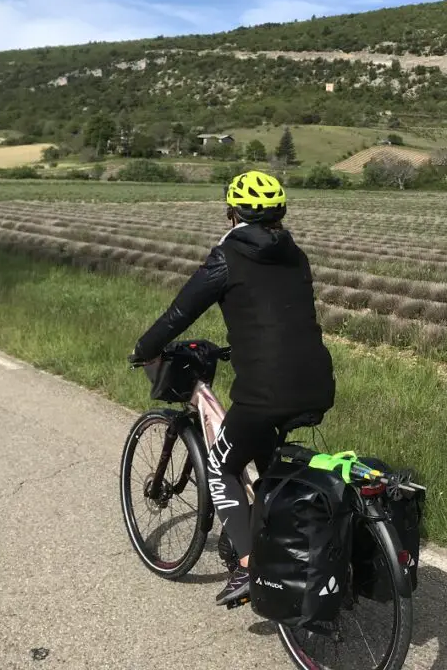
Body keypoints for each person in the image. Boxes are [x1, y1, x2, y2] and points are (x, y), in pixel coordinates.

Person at [130, 170, 335, 606]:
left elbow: (179, 313)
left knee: (221, 464)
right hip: (317, 382)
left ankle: (247, 567)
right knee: (268, 468)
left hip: (266, 392)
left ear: (232, 212)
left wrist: (146, 349)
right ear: (280, 214)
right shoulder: (295, 255)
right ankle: (280, 539)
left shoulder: (227, 256)